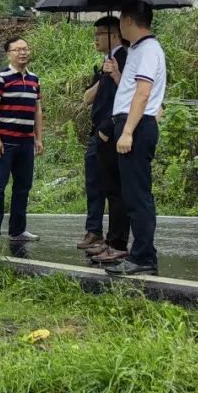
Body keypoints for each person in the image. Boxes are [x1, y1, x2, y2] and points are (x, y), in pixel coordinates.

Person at [106, 0, 166, 277]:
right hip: (134, 122)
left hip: (136, 126)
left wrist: (128, 131)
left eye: (120, 19)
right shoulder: (138, 50)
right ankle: (141, 253)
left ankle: (143, 256)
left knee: (137, 195)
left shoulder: (148, 49)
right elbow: (133, 90)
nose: (119, 25)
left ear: (129, 20)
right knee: (132, 194)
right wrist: (117, 75)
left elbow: (143, 93)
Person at [81, 17, 130, 264]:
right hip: (99, 131)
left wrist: (106, 129)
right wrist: (104, 75)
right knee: (98, 184)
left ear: (114, 34)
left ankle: (115, 241)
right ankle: (100, 235)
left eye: (100, 33)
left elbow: (127, 97)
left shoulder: (125, 59)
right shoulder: (107, 62)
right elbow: (88, 97)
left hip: (111, 131)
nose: (96, 39)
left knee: (114, 189)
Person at [0, 37, 44, 245]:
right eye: (17, 50)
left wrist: (38, 138)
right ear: (8, 54)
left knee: (23, 187)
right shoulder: (0, 78)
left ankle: (18, 230)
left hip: (26, 142)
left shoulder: (34, 79)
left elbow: (37, 110)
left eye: (25, 49)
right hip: (5, 141)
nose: (22, 53)